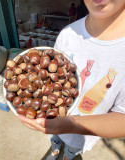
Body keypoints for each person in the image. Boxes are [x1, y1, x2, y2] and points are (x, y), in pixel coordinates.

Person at [18, 0, 125, 160]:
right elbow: (51, 77)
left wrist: (73, 124)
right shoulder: (68, 34)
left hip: (84, 133)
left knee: (72, 148)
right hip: (53, 117)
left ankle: (68, 155)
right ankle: (55, 149)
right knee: (55, 138)